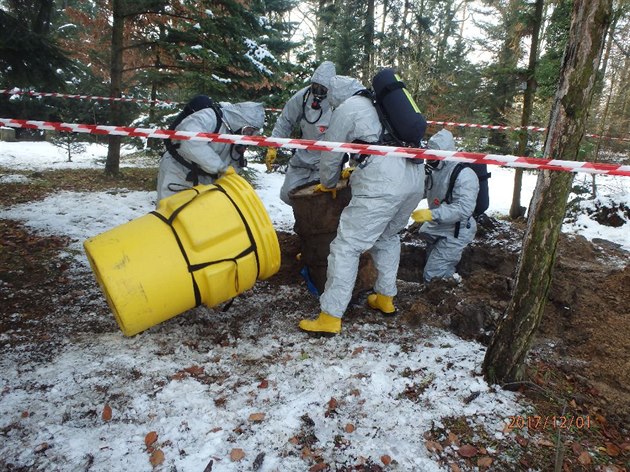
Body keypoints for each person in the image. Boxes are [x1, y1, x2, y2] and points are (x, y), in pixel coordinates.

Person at [298, 75, 426, 335]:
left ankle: (330, 317)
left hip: (383, 183)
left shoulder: (349, 107)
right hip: (414, 178)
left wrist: (329, 183)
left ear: (336, 95)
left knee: (346, 247)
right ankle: (385, 298)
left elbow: (331, 153)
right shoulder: (382, 106)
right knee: (388, 237)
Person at [157, 99, 265, 202]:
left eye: (252, 132)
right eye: (249, 130)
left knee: (196, 218)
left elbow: (234, 159)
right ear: (240, 121)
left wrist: (231, 175)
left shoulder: (236, 134)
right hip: (178, 172)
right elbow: (190, 143)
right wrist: (221, 168)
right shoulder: (208, 117)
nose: (249, 134)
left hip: (205, 179)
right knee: (170, 214)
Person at [411, 129, 480, 283]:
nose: (429, 160)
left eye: (433, 156)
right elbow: (421, 190)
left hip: (457, 230)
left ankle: (444, 296)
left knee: (432, 274)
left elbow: (463, 209)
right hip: (437, 226)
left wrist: (432, 214)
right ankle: (450, 283)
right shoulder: (435, 170)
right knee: (436, 267)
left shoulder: (464, 175)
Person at [265, 61, 337, 204]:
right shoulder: (302, 97)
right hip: (303, 158)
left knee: (318, 200)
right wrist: (273, 145)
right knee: (288, 195)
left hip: (326, 161)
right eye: (315, 86)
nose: (317, 91)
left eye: (322, 88)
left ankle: (316, 225)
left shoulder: (336, 101)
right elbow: (285, 120)